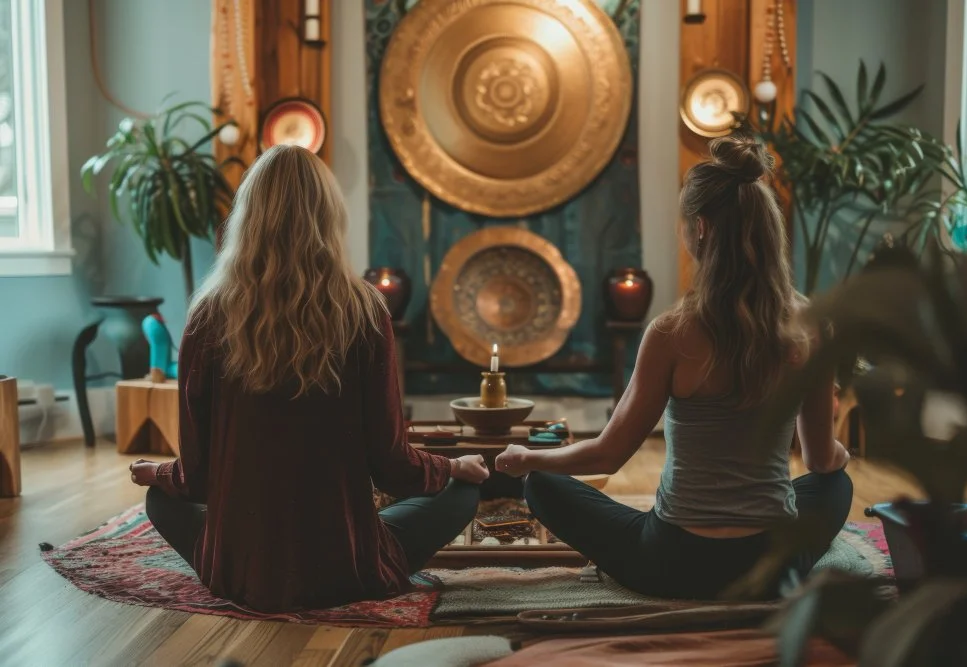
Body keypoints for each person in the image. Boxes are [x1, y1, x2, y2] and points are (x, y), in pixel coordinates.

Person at [128, 145, 489, 612]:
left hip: (238, 574)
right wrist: (451, 467)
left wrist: (158, 473)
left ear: (248, 218)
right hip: (347, 572)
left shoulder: (207, 316)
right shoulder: (364, 310)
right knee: (463, 493)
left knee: (160, 501)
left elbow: (195, 480)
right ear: (329, 217)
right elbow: (392, 467)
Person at [495, 134, 853, 600]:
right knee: (836, 485)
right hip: (770, 566)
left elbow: (607, 455)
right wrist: (838, 459)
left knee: (542, 486)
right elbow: (822, 458)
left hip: (672, 563)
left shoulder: (671, 333)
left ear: (700, 228)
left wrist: (528, 460)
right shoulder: (808, 327)